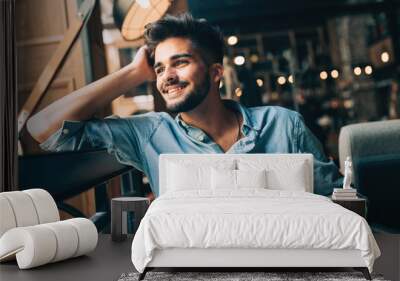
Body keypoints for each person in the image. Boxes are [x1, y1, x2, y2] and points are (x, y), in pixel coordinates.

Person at [27, 13, 343, 197]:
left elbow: (337, 200)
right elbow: (42, 129)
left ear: (216, 72)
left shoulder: (283, 125)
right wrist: (132, 73)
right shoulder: (148, 133)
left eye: (180, 63)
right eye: (160, 68)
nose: (167, 77)